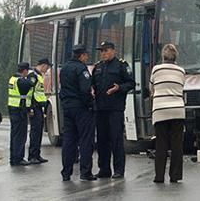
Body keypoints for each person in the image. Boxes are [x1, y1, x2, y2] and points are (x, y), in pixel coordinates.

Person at [92, 41, 135, 179]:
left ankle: (119, 170)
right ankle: (104, 169)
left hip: (115, 108)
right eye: (101, 51)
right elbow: (92, 84)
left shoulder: (121, 65)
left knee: (116, 139)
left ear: (113, 51)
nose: (103, 53)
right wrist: (91, 90)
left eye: (106, 50)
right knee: (102, 140)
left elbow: (131, 83)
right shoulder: (98, 67)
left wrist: (119, 88)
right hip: (100, 108)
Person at [60, 44, 96, 181]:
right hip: (81, 109)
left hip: (67, 108)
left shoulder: (65, 68)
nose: (87, 58)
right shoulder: (81, 69)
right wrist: (90, 105)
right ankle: (85, 172)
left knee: (69, 141)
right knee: (86, 140)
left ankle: (66, 172)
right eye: (86, 55)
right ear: (81, 55)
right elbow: (85, 90)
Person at [150, 44, 186, 183]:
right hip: (177, 109)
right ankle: (175, 176)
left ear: (163, 57)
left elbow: (151, 88)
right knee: (177, 144)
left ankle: (159, 177)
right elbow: (182, 87)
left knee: (161, 144)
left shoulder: (156, 69)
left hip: (160, 111)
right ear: (175, 57)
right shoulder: (181, 71)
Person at [8, 62, 35, 166]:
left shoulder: (12, 79)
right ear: (24, 71)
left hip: (13, 108)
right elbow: (31, 83)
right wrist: (32, 77)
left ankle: (13, 157)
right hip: (19, 110)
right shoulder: (20, 80)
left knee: (14, 134)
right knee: (20, 135)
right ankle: (18, 158)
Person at [27, 58, 52, 164]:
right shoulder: (33, 75)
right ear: (43, 65)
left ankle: (37, 154)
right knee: (35, 132)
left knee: (38, 132)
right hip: (34, 107)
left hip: (39, 107)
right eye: (47, 67)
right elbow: (30, 92)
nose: (47, 70)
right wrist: (31, 108)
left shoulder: (38, 75)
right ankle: (32, 156)